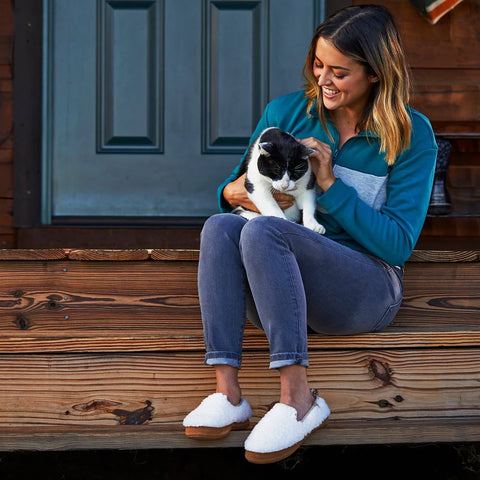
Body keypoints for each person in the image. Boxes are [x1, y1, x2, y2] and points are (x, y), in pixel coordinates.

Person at [183, 4, 437, 464]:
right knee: (220, 227)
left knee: (264, 234)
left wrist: (329, 184)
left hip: (367, 287)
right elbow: (235, 189)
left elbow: (398, 243)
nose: (323, 80)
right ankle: (228, 394)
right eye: (318, 65)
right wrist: (236, 191)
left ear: (376, 73)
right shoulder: (286, 113)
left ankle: (299, 400)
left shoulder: (410, 133)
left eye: (339, 72)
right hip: (282, 285)